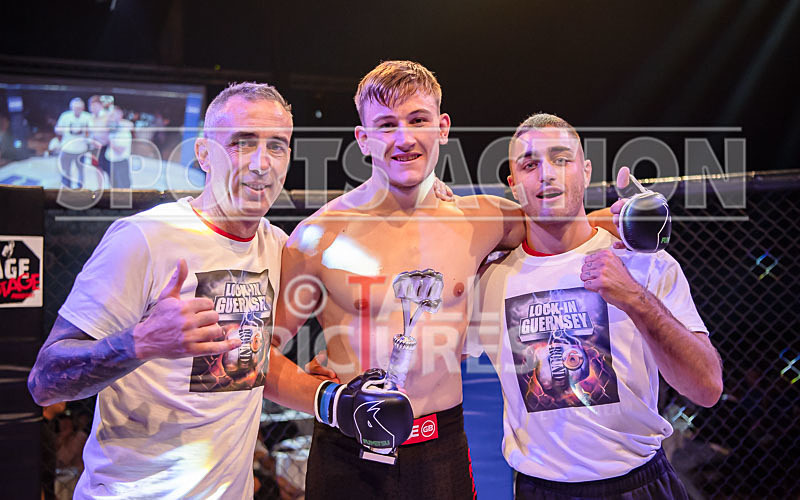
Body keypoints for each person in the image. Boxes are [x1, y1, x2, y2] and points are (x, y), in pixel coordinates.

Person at [27, 82, 408, 499]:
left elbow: (248, 363)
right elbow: (45, 382)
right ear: (204, 154)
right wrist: (139, 343)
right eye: (243, 143)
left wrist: (322, 392)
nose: (262, 163)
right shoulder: (145, 238)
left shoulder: (277, 248)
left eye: (277, 146)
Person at [277, 61, 622, 499]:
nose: (404, 138)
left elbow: (561, 226)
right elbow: (260, 360)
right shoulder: (317, 236)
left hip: (442, 450)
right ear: (363, 140)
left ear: (442, 128)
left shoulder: (481, 219)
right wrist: (331, 400)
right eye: (386, 125)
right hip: (350, 455)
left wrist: (625, 219)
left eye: (417, 120)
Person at [468, 113, 723, 499]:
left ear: (585, 171)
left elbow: (706, 388)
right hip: (540, 489)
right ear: (514, 185)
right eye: (529, 164)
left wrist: (635, 298)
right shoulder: (488, 280)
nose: (546, 174)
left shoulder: (642, 260)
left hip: (641, 481)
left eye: (561, 159)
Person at [54, 97, 92, 188]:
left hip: (81, 149)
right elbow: (57, 129)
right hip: (67, 149)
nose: (77, 110)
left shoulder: (87, 116)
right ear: (71, 108)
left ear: (83, 108)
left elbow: (92, 131)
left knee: (81, 171)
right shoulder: (65, 116)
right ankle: (67, 189)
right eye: (75, 108)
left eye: (79, 108)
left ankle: (80, 189)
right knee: (65, 171)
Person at [103, 106, 133, 188]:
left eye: (112, 115)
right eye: (109, 115)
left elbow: (120, 150)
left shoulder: (124, 131)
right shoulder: (112, 129)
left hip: (120, 163)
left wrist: (110, 142)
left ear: (120, 115)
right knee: (113, 187)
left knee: (123, 187)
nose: (110, 117)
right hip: (111, 162)